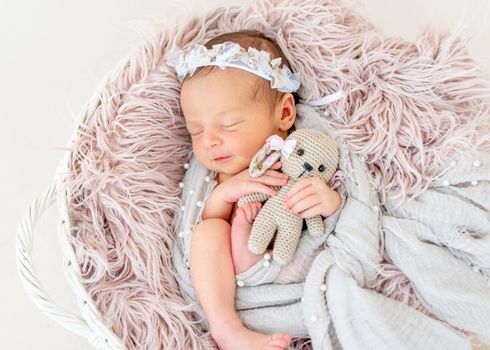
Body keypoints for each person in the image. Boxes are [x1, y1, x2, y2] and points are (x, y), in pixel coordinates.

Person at [166, 30, 342, 350]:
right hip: (228, 282)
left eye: (229, 125)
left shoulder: (303, 148)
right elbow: (200, 223)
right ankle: (227, 328)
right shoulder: (217, 174)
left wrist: (329, 202)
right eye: (196, 131)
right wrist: (224, 194)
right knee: (208, 233)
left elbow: (344, 197)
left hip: (295, 270)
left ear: (284, 113)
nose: (209, 141)